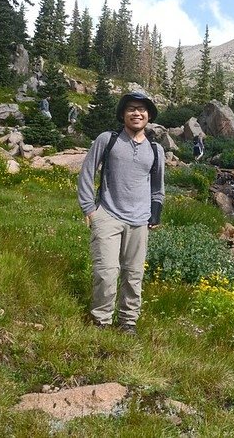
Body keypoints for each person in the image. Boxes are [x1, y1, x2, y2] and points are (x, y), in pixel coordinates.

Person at [77, 92, 165, 335]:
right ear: (123, 114)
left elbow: (157, 188)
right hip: (108, 215)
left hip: (140, 221)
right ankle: (101, 320)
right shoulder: (108, 140)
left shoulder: (156, 150)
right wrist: (90, 210)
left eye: (142, 109)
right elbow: (87, 172)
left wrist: (155, 213)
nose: (137, 113)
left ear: (149, 116)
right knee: (106, 271)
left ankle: (128, 322)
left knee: (134, 275)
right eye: (131, 109)